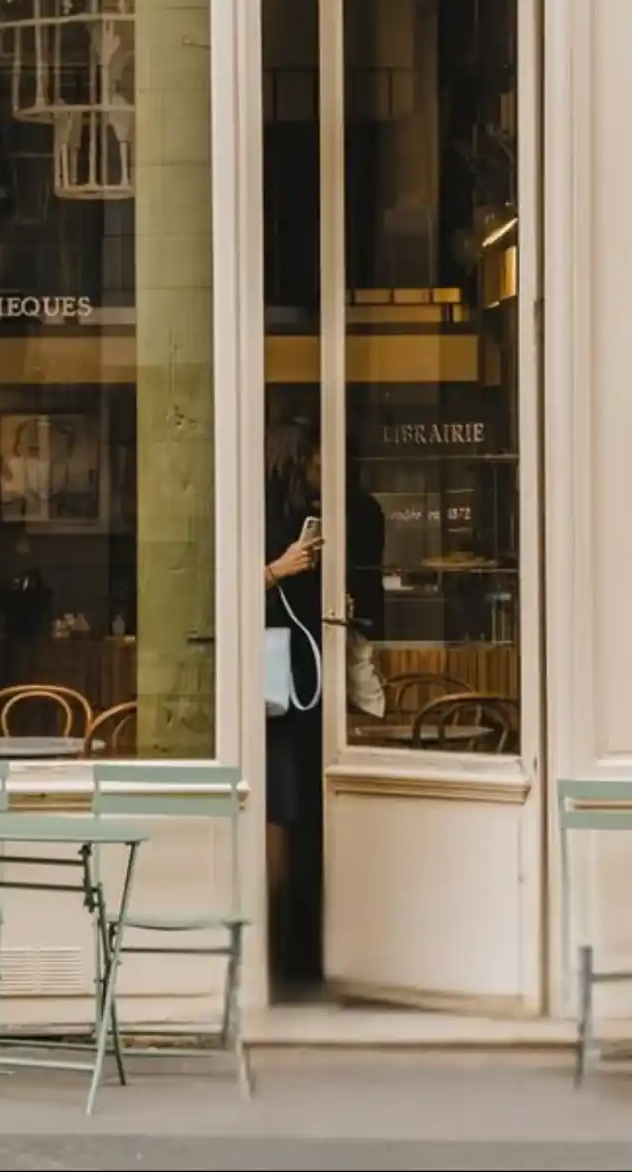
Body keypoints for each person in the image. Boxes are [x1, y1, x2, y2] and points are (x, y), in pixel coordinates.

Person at [261, 416, 386, 998]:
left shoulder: (353, 512)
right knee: (285, 809)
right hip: (280, 683)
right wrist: (276, 570)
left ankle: (311, 946)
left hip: (314, 679)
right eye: (319, 457)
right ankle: (279, 948)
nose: (328, 469)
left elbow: (365, 599)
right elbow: (212, 594)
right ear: (299, 458)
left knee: (310, 807)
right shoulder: (261, 511)